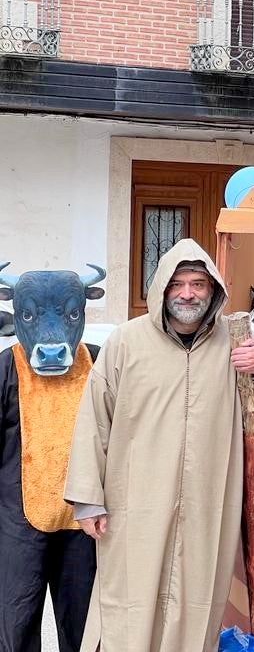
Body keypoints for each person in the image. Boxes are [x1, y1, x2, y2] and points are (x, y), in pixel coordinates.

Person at [63, 239, 254, 652]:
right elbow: (94, 419)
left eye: (198, 284)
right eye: (178, 283)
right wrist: (88, 500)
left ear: (213, 290)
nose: (187, 293)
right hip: (135, 504)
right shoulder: (126, 343)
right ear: (162, 288)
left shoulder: (235, 343)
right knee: (129, 605)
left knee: (195, 607)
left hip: (206, 506)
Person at [0, 264, 106, 651]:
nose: (50, 335)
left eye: (69, 314)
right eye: (28, 314)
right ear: (15, 314)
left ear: (83, 310)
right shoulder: (5, 366)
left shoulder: (99, 363)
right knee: (16, 616)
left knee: (83, 620)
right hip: (17, 520)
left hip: (86, 521)